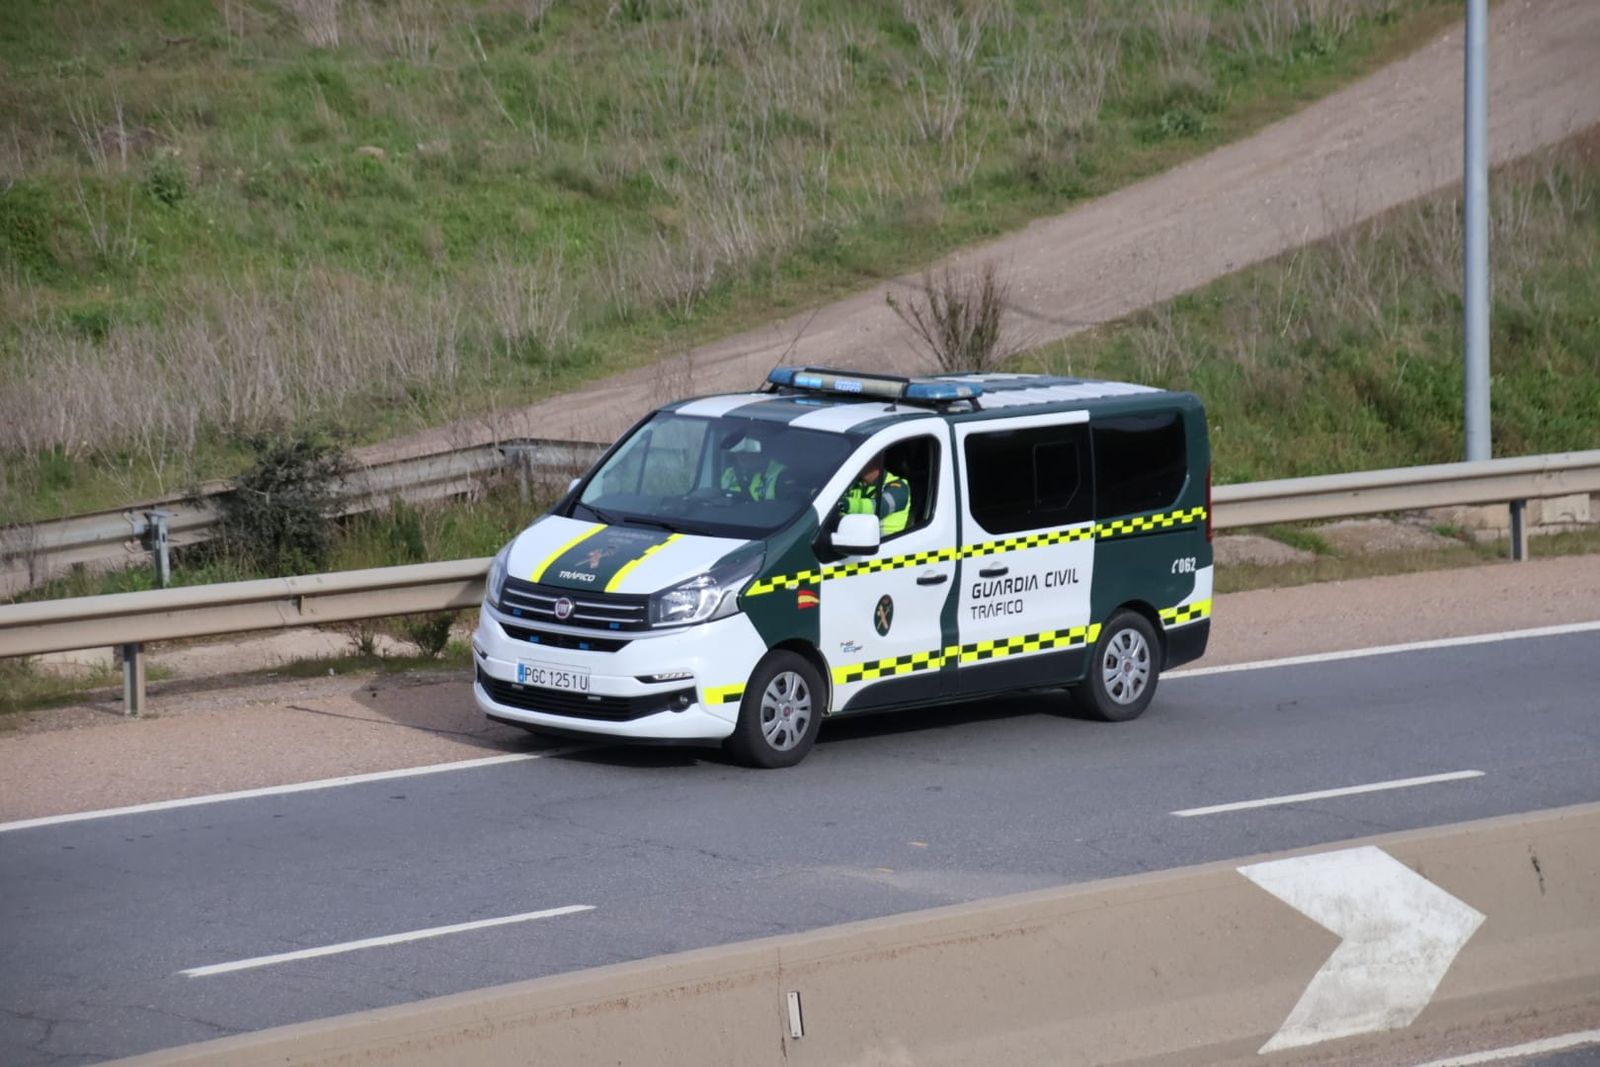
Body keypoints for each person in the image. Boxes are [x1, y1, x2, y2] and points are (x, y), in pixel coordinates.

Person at [840, 452, 911, 535]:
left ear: (876, 462)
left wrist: (843, 504)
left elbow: (877, 508)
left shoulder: (899, 488)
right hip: (855, 539)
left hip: (887, 541)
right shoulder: (857, 486)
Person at [719, 432, 787, 501]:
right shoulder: (730, 474)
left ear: (760, 452)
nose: (742, 457)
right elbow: (719, 497)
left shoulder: (780, 475)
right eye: (740, 452)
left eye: (747, 451)